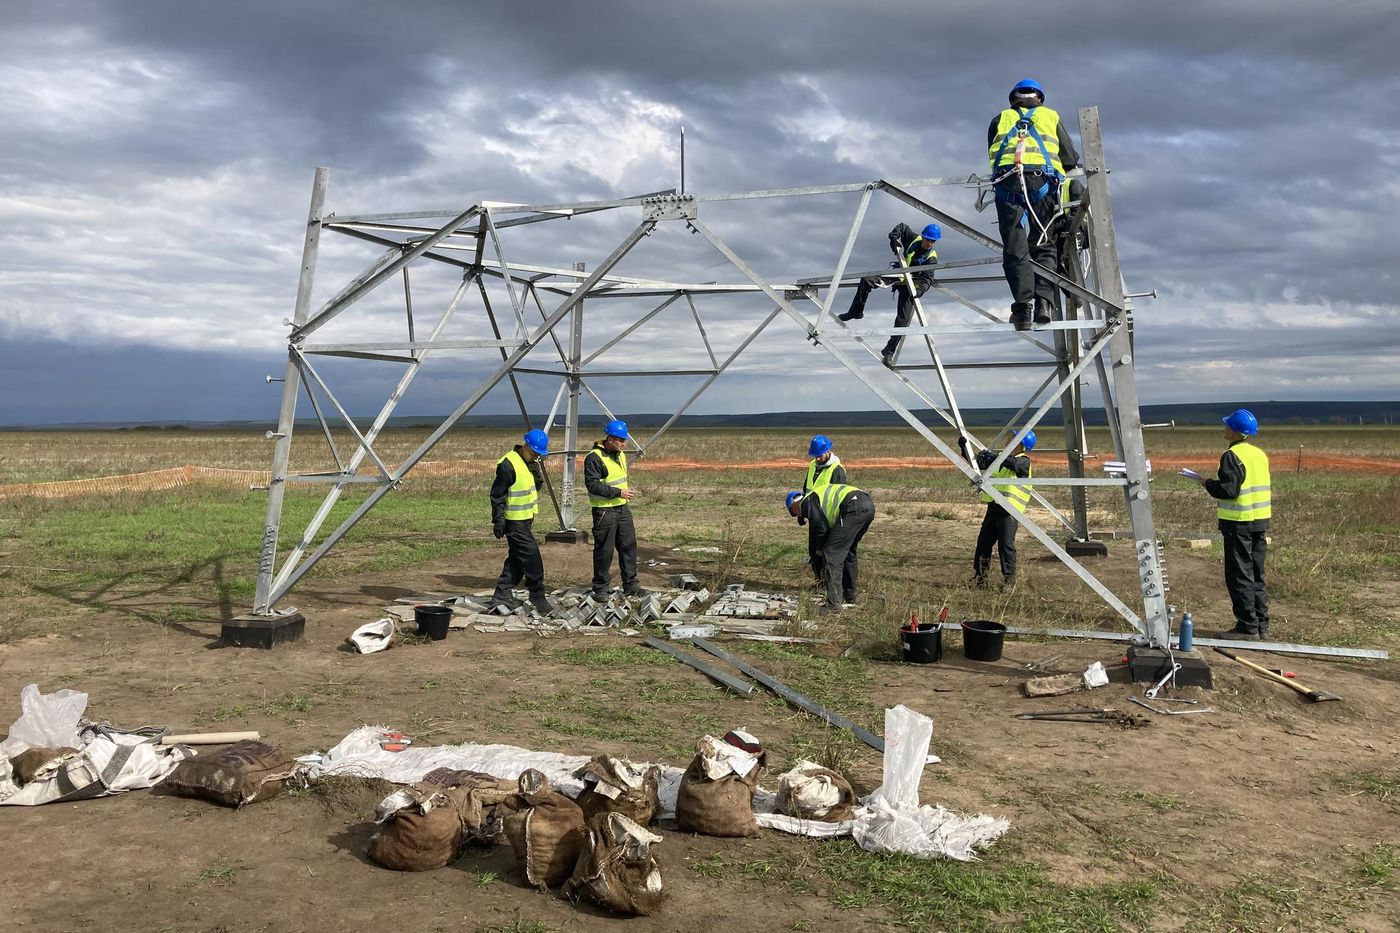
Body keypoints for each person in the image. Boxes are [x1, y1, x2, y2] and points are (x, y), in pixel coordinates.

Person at [988, 78, 1080, 331]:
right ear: (1039, 98)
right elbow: (1070, 157)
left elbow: (992, 154)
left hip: (1008, 184)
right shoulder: (1050, 116)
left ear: (1013, 100)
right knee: (1044, 244)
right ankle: (1044, 305)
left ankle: (1022, 310)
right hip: (1043, 183)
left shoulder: (999, 119)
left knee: (1015, 247)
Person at [1191, 409, 1272, 640]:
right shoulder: (1259, 454)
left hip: (1239, 523)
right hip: (1259, 522)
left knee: (1240, 574)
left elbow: (1229, 490)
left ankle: (1247, 626)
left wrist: (1206, 483)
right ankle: (1261, 625)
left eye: (1228, 426)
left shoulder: (1232, 456)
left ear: (1235, 431)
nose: (1224, 428)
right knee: (1257, 573)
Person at [837, 222, 941, 368]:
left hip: (911, 288)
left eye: (933, 241)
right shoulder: (914, 239)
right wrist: (894, 239)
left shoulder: (931, 257)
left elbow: (928, 279)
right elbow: (902, 227)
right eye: (928, 239)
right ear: (923, 236)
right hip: (898, 276)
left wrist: (919, 292)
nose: (929, 243)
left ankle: (889, 352)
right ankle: (855, 312)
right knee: (867, 281)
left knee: (903, 321)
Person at [489, 429, 554, 615]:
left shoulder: (530, 463)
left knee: (517, 558)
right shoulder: (508, 465)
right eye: (534, 453)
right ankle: (537, 595)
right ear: (525, 446)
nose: (536, 457)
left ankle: (502, 594)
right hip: (513, 521)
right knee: (532, 557)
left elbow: (536, 486)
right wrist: (498, 520)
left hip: (525, 519)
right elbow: (497, 495)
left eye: (539, 455)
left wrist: (534, 468)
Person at [960, 431, 1035, 587]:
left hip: (1009, 512)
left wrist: (994, 457)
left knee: (1006, 547)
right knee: (983, 544)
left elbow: (1014, 465)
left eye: (1013, 440)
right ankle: (980, 579)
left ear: (1022, 446)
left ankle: (1009, 583)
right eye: (1009, 439)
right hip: (993, 508)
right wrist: (964, 448)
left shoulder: (1024, 461)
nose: (1008, 442)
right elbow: (977, 462)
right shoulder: (1001, 460)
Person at [786, 482, 875, 612]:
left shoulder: (808, 502)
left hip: (852, 507)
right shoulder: (815, 497)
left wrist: (821, 551)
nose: (799, 516)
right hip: (867, 504)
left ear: (793, 507)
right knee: (849, 552)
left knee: (831, 555)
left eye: (794, 514)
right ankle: (851, 596)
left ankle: (833, 604)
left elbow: (821, 528)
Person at [585, 419, 645, 598]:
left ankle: (631, 585)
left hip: (622, 509)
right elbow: (592, 485)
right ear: (610, 439)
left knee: (628, 547)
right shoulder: (594, 458)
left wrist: (622, 495)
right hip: (604, 512)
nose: (623, 444)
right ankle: (601, 589)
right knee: (605, 551)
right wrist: (619, 492)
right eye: (620, 440)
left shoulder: (620, 455)